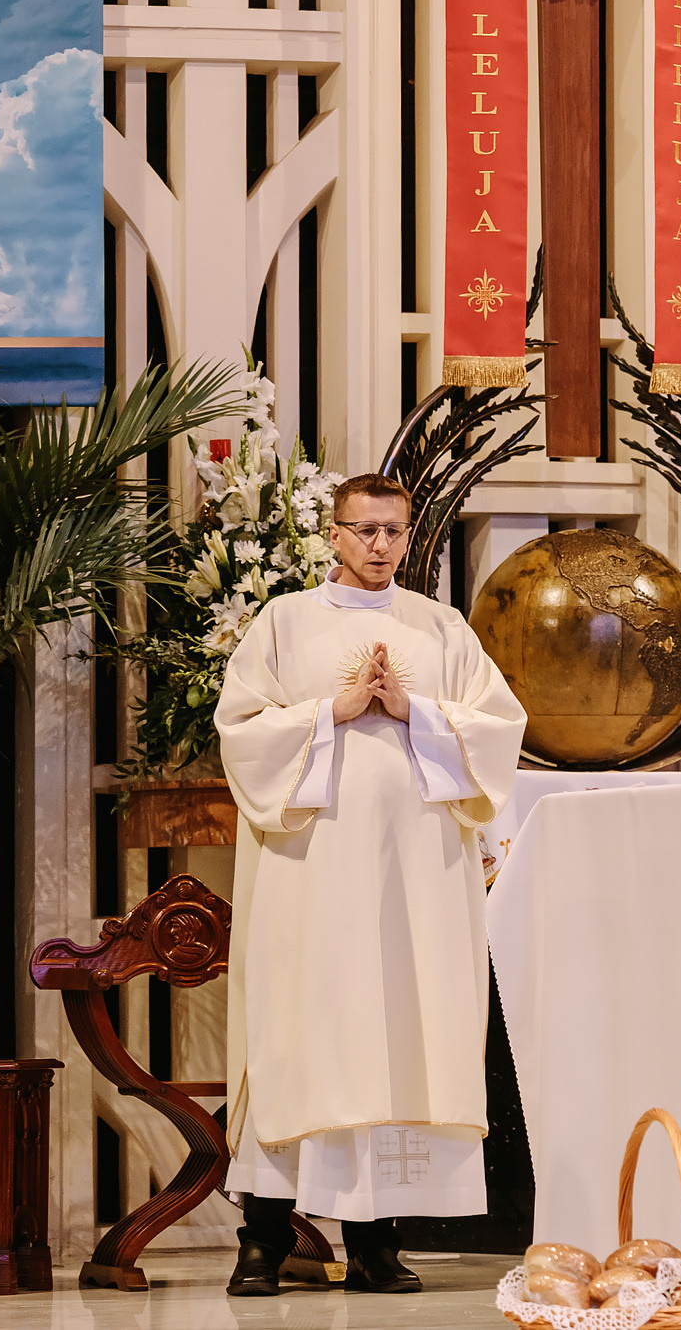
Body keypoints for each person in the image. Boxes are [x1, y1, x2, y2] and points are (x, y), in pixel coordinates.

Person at [216, 474, 527, 1295]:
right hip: (309, 882)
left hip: (413, 886)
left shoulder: (440, 628)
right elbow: (240, 737)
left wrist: (415, 711)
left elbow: (502, 731)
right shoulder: (283, 623)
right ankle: (262, 1238)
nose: (381, 545)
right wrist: (334, 711)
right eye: (364, 530)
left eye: (393, 529)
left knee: (397, 1040)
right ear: (334, 533)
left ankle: (377, 1242)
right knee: (298, 1039)